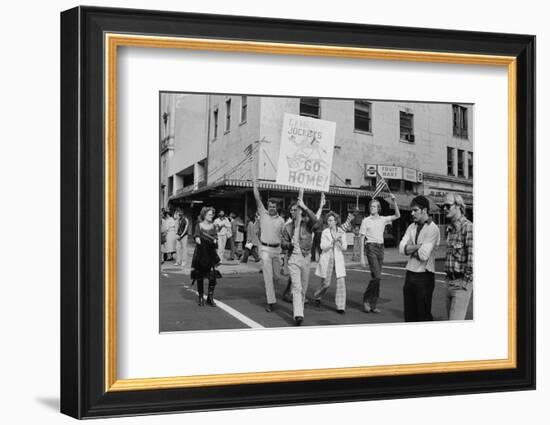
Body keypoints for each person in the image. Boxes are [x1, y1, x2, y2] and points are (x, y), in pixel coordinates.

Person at [398, 195, 440, 322]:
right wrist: (419, 246)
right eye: (412, 210)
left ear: (425, 210)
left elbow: (424, 255)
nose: (412, 213)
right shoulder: (411, 226)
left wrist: (409, 249)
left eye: (415, 210)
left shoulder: (433, 229)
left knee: (423, 316)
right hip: (410, 273)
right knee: (409, 315)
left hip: (424, 276)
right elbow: (401, 248)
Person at [282, 189, 320, 325]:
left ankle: (300, 310)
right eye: (292, 210)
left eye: (296, 210)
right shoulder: (287, 227)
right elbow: (283, 243)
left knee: (303, 288)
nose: (294, 212)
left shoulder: (307, 223)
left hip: (306, 257)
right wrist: (289, 245)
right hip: (294, 259)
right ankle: (298, 315)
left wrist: (304, 206)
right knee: (296, 287)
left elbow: (317, 221)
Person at [359, 195, 401, 313]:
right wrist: (361, 257)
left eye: (374, 206)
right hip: (370, 247)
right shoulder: (365, 221)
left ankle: (373, 304)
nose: (372, 208)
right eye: (371, 206)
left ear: (378, 208)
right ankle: (366, 300)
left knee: (375, 278)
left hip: (380, 248)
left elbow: (398, 215)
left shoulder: (383, 219)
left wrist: (394, 201)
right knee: (377, 276)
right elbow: (361, 239)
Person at [253, 178, 285, 312]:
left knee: (277, 277)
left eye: (274, 206)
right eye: (270, 206)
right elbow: (257, 197)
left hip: (277, 250)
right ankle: (270, 302)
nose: (271, 208)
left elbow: (284, 236)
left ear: (277, 208)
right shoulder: (263, 213)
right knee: (268, 277)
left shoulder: (282, 220)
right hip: (265, 249)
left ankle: (280, 291)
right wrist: (255, 185)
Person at [442, 193, 473, 320]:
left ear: (459, 207)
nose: (444, 209)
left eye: (448, 206)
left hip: (460, 284)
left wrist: (464, 285)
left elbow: (473, 260)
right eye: (443, 206)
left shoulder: (468, 227)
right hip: (449, 282)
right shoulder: (450, 229)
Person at [312, 212, 348, 313]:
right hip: (328, 259)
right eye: (328, 220)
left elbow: (345, 247)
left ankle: (340, 306)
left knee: (341, 283)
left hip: (338, 259)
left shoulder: (341, 231)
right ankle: (317, 296)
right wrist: (332, 242)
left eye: (331, 220)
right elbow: (322, 246)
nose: (329, 222)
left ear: (336, 221)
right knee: (326, 283)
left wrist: (339, 242)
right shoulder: (325, 232)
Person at [191, 207, 220, 307]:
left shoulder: (213, 226)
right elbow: (196, 236)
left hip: (210, 253)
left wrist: (215, 240)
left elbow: (215, 237)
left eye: (212, 214)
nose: (211, 216)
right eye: (209, 214)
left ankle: (210, 298)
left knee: (212, 277)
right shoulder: (199, 225)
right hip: (201, 253)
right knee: (200, 276)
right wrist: (198, 239)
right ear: (204, 215)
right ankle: (200, 297)